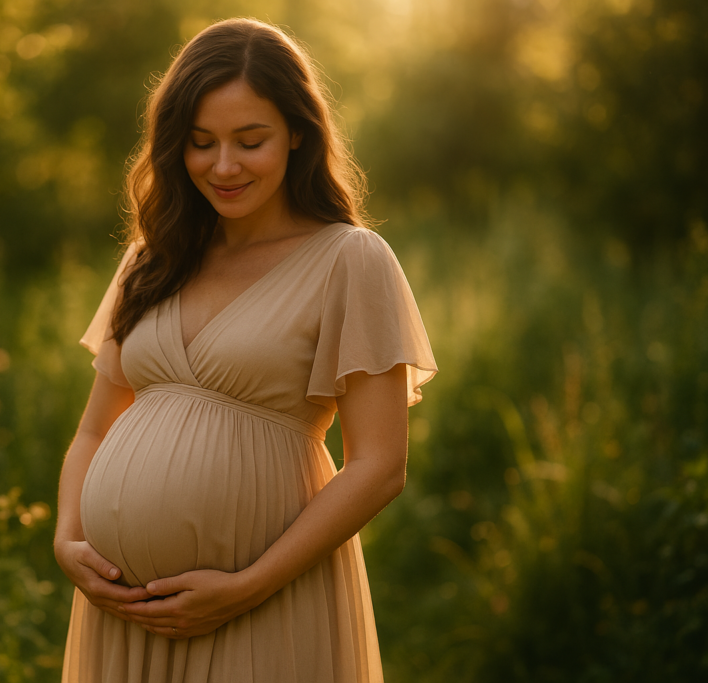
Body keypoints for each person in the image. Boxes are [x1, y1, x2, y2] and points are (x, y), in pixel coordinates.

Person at [54, 17, 437, 683]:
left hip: (263, 605)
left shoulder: (349, 259)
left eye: (249, 140)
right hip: (121, 614)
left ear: (297, 132)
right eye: (201, 143)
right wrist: (68, 538)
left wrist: (250, 584)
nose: (223, 166)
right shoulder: (154, 257)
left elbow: (379, 465)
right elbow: (94, 427)